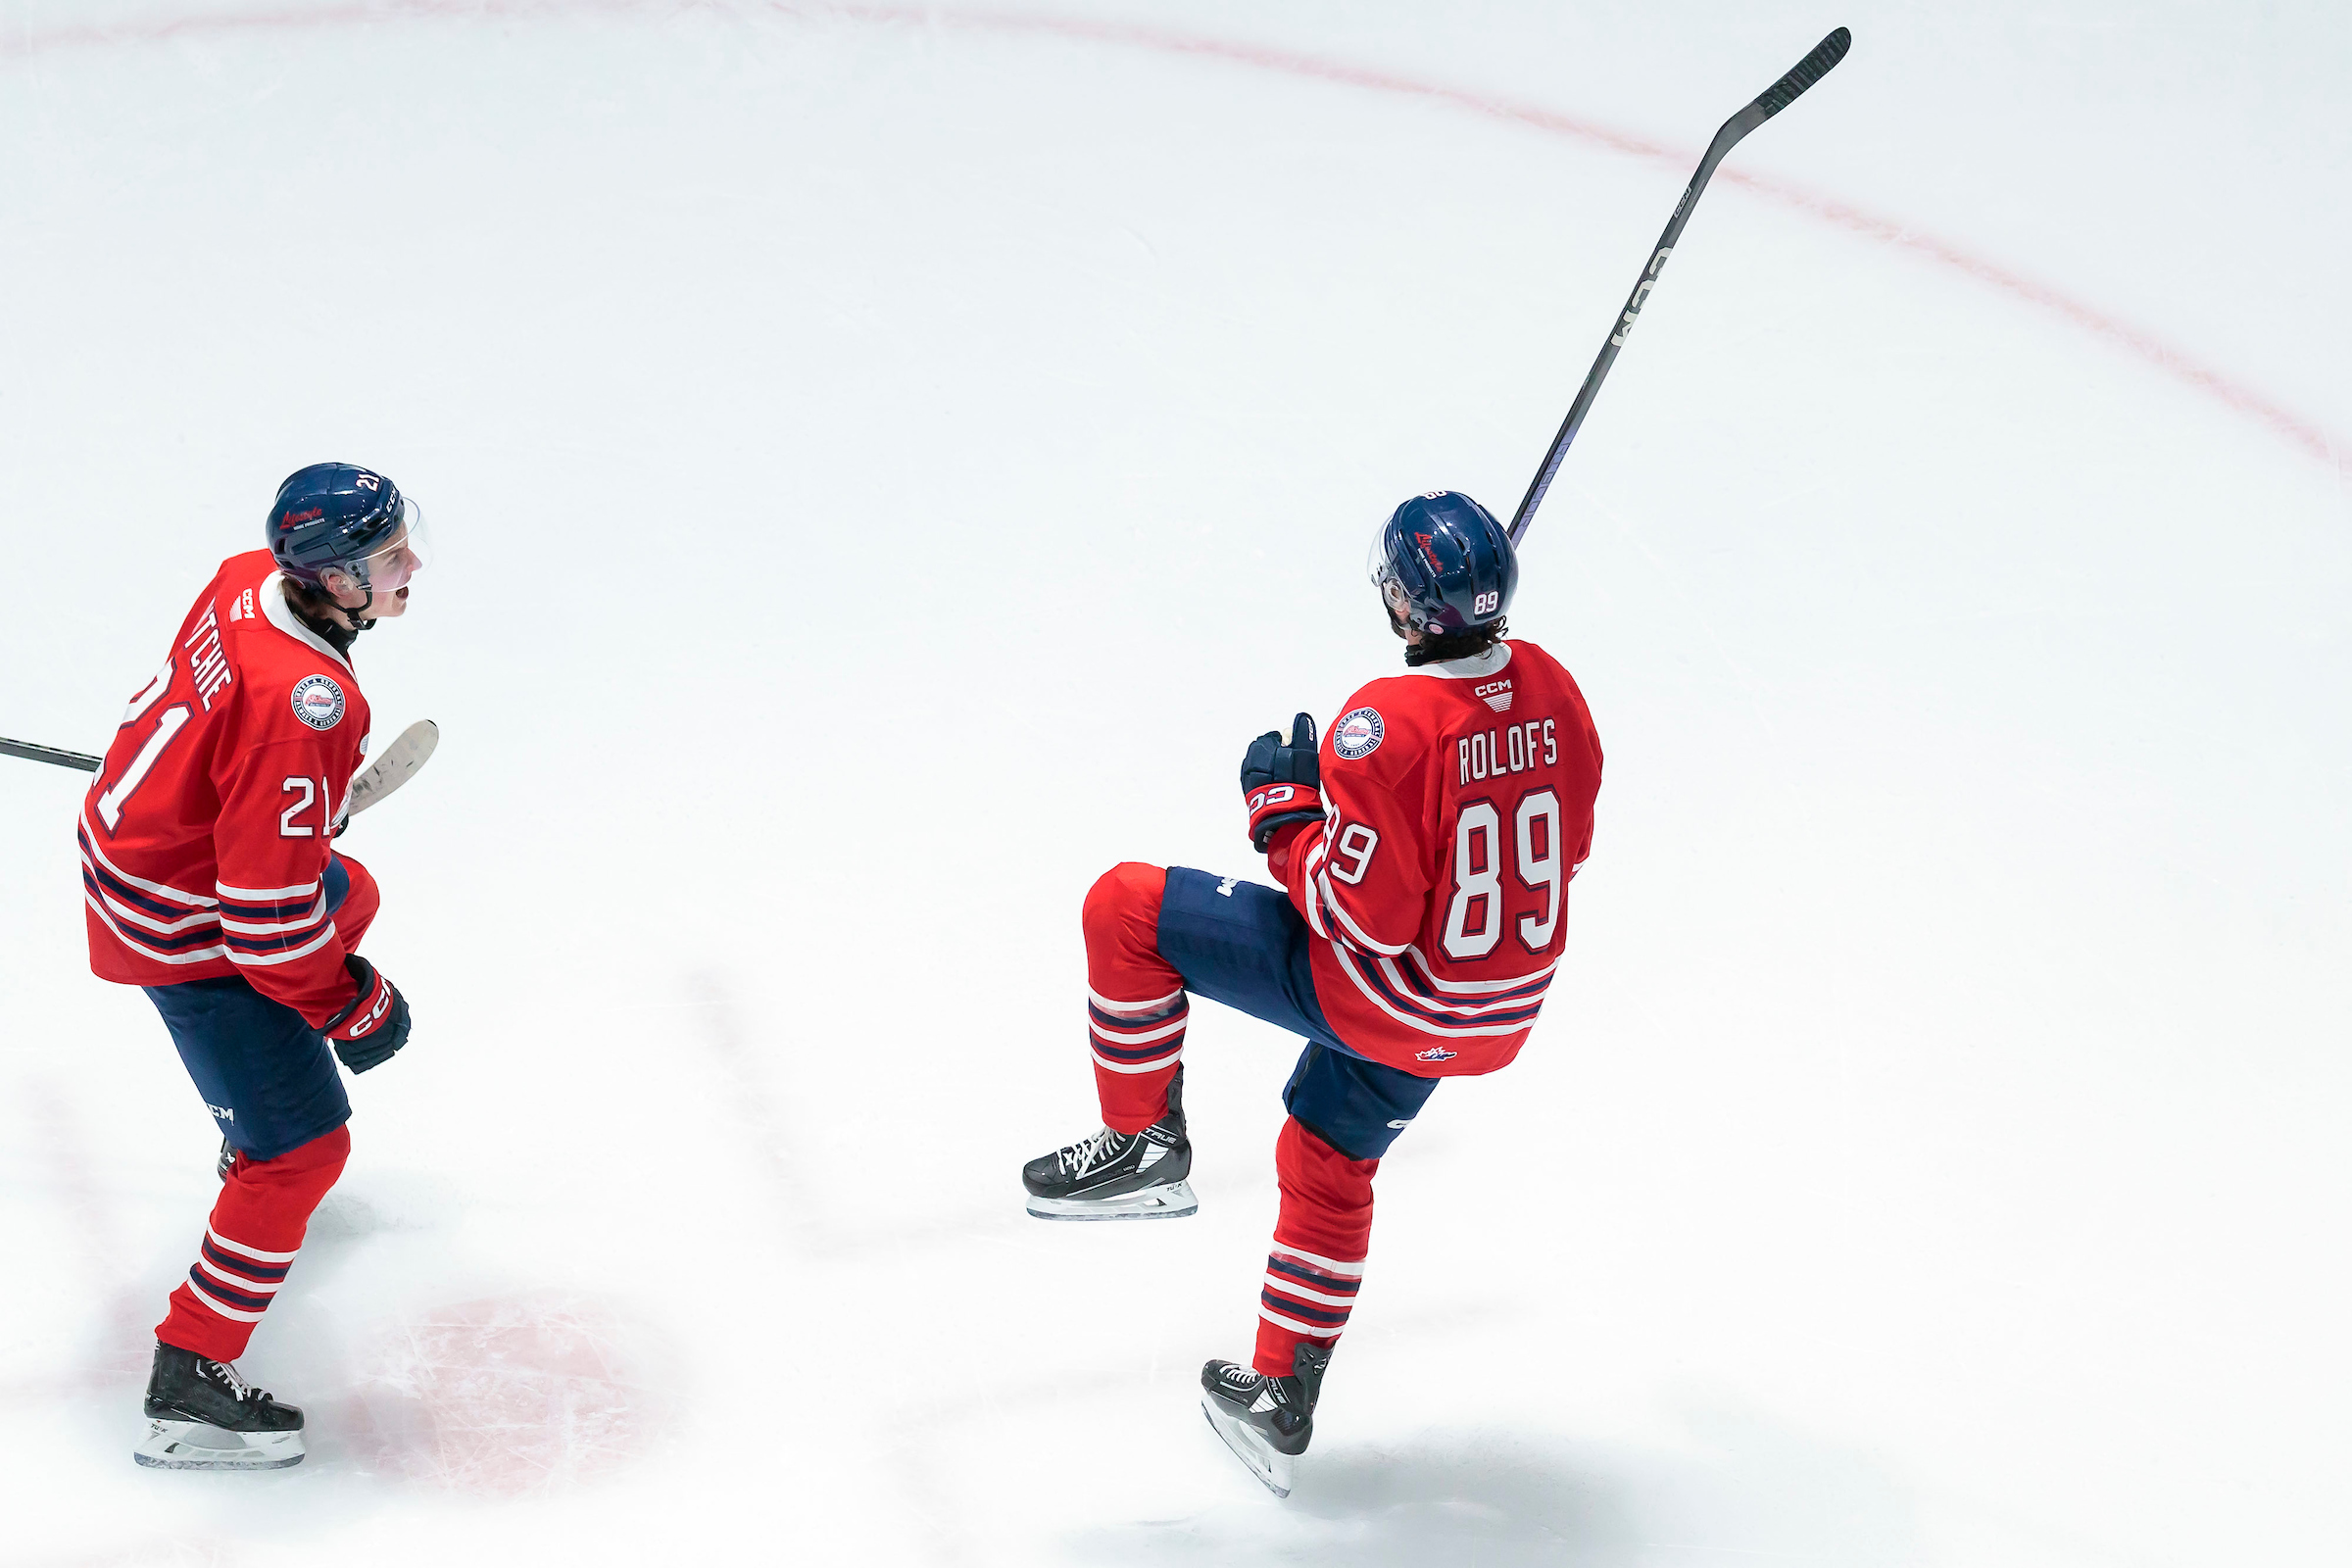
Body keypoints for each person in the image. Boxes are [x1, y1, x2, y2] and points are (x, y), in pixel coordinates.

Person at [1020, 490, 1602, 1495]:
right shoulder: (1557, 688)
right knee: (1325, 1151)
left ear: (1414, 607)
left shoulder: (1386, 725)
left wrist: (1284, 816)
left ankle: (1143, 1142)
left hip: (1399, 996)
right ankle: (1281, 1393)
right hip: (1496, 1014)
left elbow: (1361, 917)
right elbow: (1569, 846)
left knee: (1125, 908)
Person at [80, 463, 427, 1470]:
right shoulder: (305, 706)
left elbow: (214, 717)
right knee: (304, 1152)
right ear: (329, 577)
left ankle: (254, 1141)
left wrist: (253, 795)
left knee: (347, 890)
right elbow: (267, 928)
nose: (412, 567)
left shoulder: (247, 575)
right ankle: (191, 1376)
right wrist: (351, 1004)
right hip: (180, 924)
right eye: (388, 557)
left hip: (145, 849)